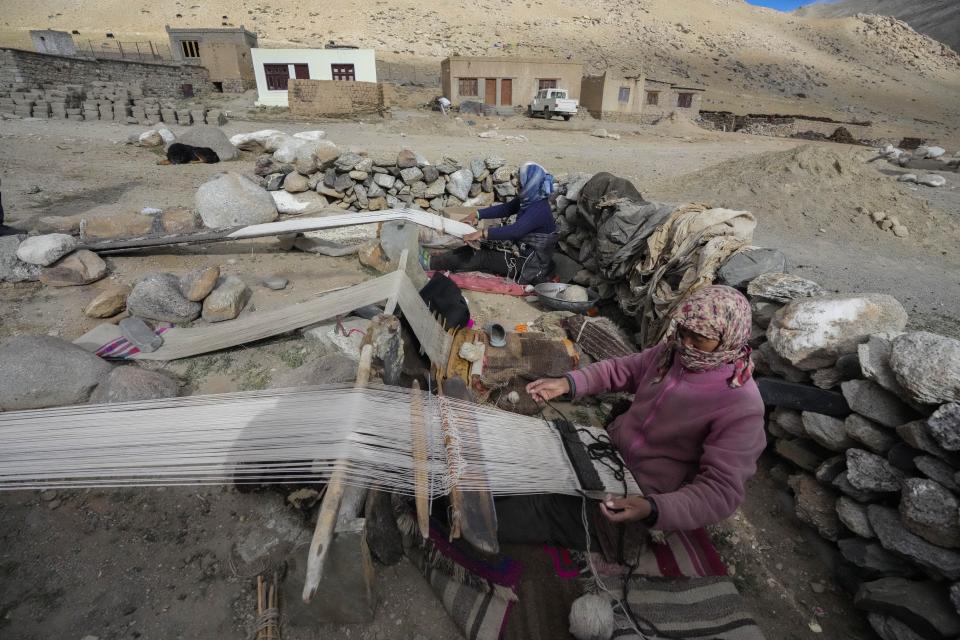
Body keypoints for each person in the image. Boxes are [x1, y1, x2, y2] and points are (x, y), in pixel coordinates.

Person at [495, 285, 766, 551]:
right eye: (683, 331)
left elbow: (721, 491)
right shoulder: (670, 355)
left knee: (518, 513)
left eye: (699, 339)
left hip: (639, 493)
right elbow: (623, 368)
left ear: (729, 338)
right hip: (606, 453)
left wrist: (653, 507)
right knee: (513, 467)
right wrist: (569, 382)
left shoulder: (741, 406)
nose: (686, 344)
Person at [428, 161, 558, 284]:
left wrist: (482, 233)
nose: (516, 182)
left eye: (521, 181)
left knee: (483, 256)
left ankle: (431, 263)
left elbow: (515, 231)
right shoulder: (530, 200)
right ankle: (440, 260)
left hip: (530, 265)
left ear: (531, 184)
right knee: (479, 246)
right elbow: (506, 208)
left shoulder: (538, 209)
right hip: (523, 252)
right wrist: (477, 214)